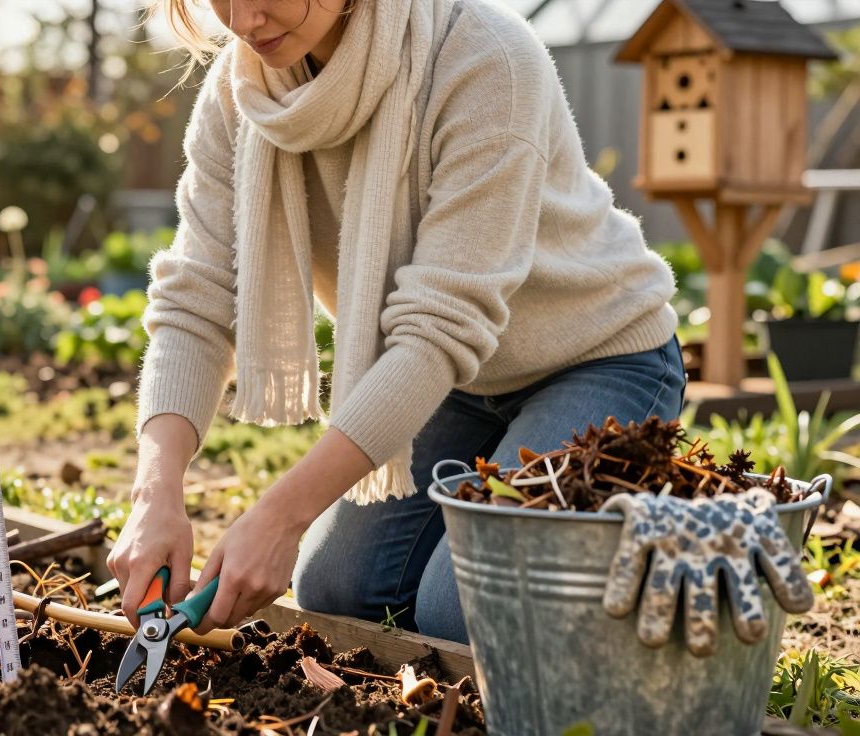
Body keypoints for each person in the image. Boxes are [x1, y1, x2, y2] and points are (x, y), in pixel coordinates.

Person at [105, 0, 685, 644]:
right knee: (337, 591)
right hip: (454, 387)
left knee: (461, 615)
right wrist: (154, 494)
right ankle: (534, 545)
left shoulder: (484, 59)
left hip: (596, 360)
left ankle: (654, 549)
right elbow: (196, 300)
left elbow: (439, 326)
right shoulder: (240, 96)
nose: (242, 20)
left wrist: (279, 516)